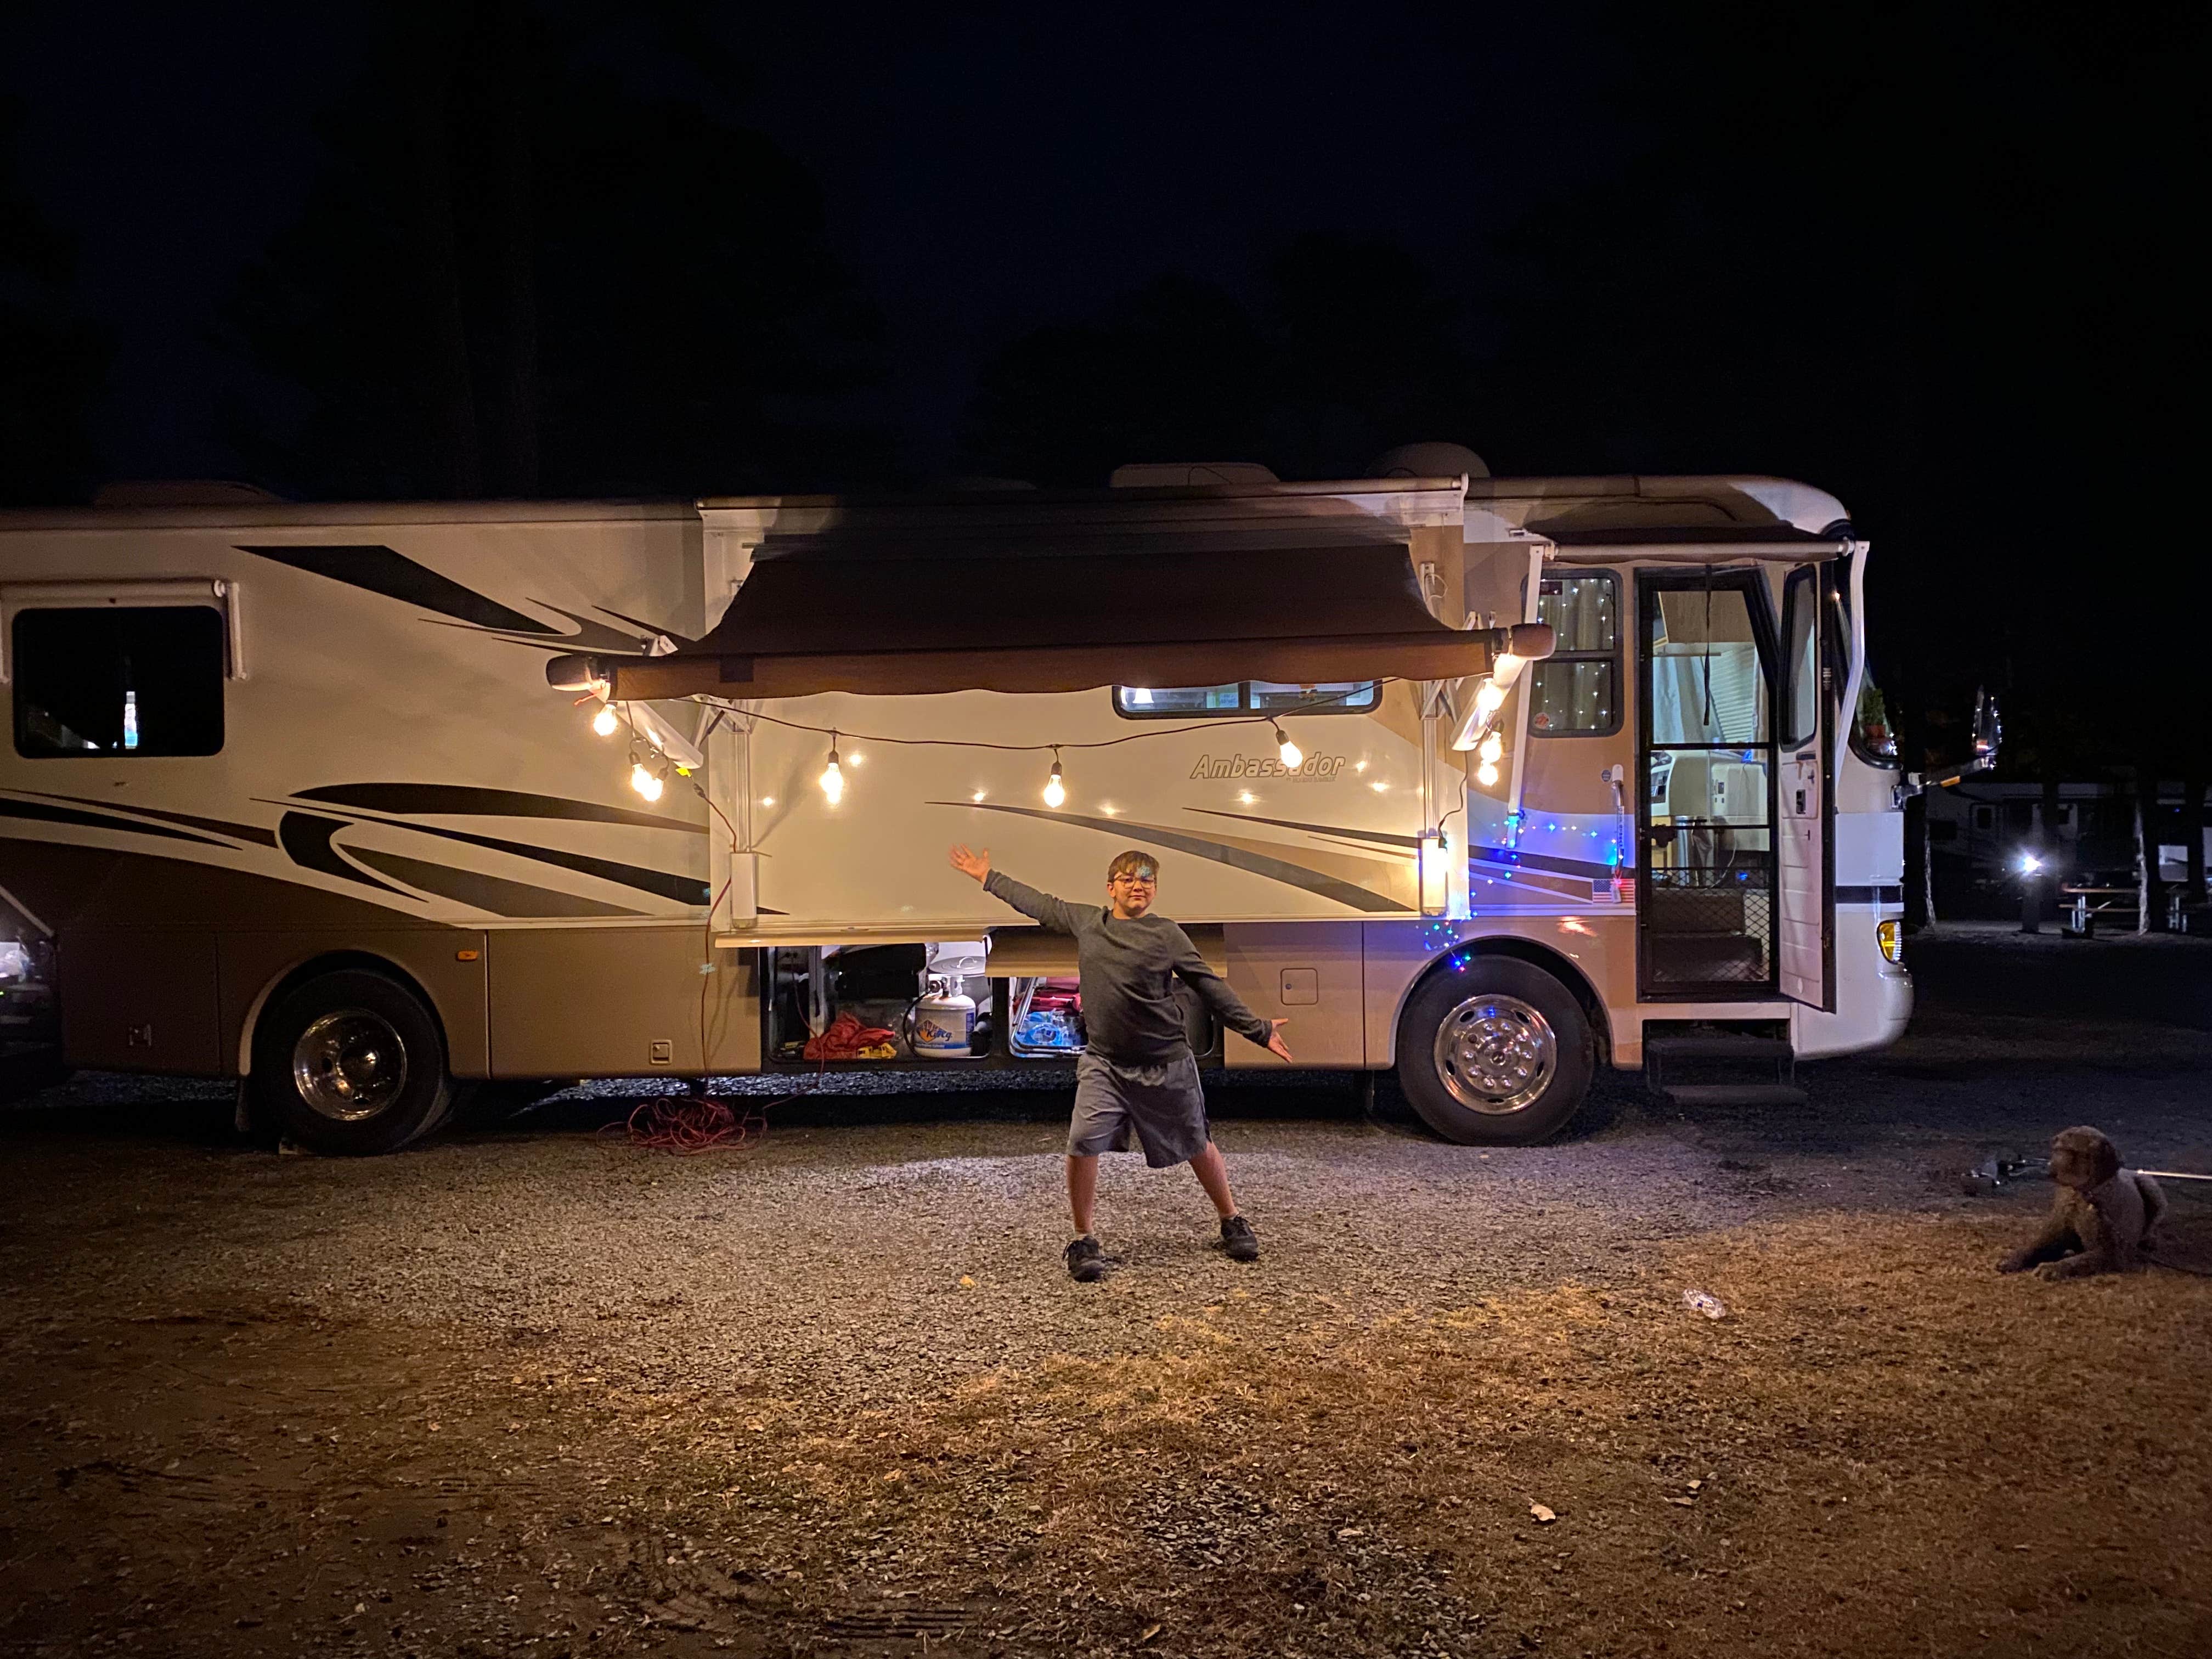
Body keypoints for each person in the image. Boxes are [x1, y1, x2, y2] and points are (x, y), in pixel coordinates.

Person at [949, 843, 1292, 1282]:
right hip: (1105, 1064)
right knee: (1082, 1141)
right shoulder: (1089, 923)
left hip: (1166, 1062)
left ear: (1155, 890)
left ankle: (1231, 1219)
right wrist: (988, 876)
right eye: (1128, 878)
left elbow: (1209, 986)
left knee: (1196, 1142)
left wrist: (1258, 1029)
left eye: (1146, 879)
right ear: (1110, 888)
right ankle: (1084, 1239)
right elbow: (1038, 903)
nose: (1138, 885)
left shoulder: (1167, 934)